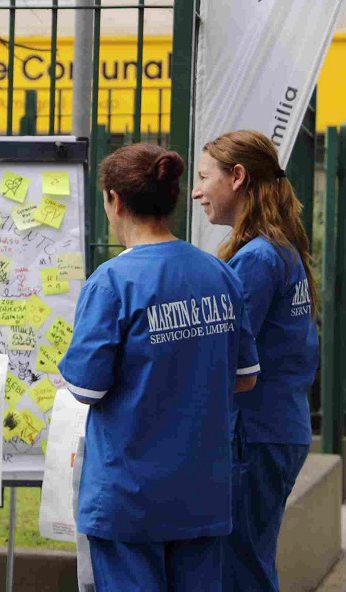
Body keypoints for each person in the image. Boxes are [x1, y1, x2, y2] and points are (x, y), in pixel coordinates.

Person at [58, 144, 260, 592]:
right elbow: (246, 375)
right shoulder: (219, 273)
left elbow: (85, 388)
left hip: (128, 498)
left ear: (114, 200)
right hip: (202, 494)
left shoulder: (111, 282)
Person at [193, 130, 319, 592]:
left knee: (239, 569)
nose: (196, 190)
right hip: (277, 428)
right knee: (250, 560)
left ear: (238, 176)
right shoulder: (280, 249)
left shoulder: (257, 259)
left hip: (254, 434)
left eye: (205, 177)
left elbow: (224, 354)